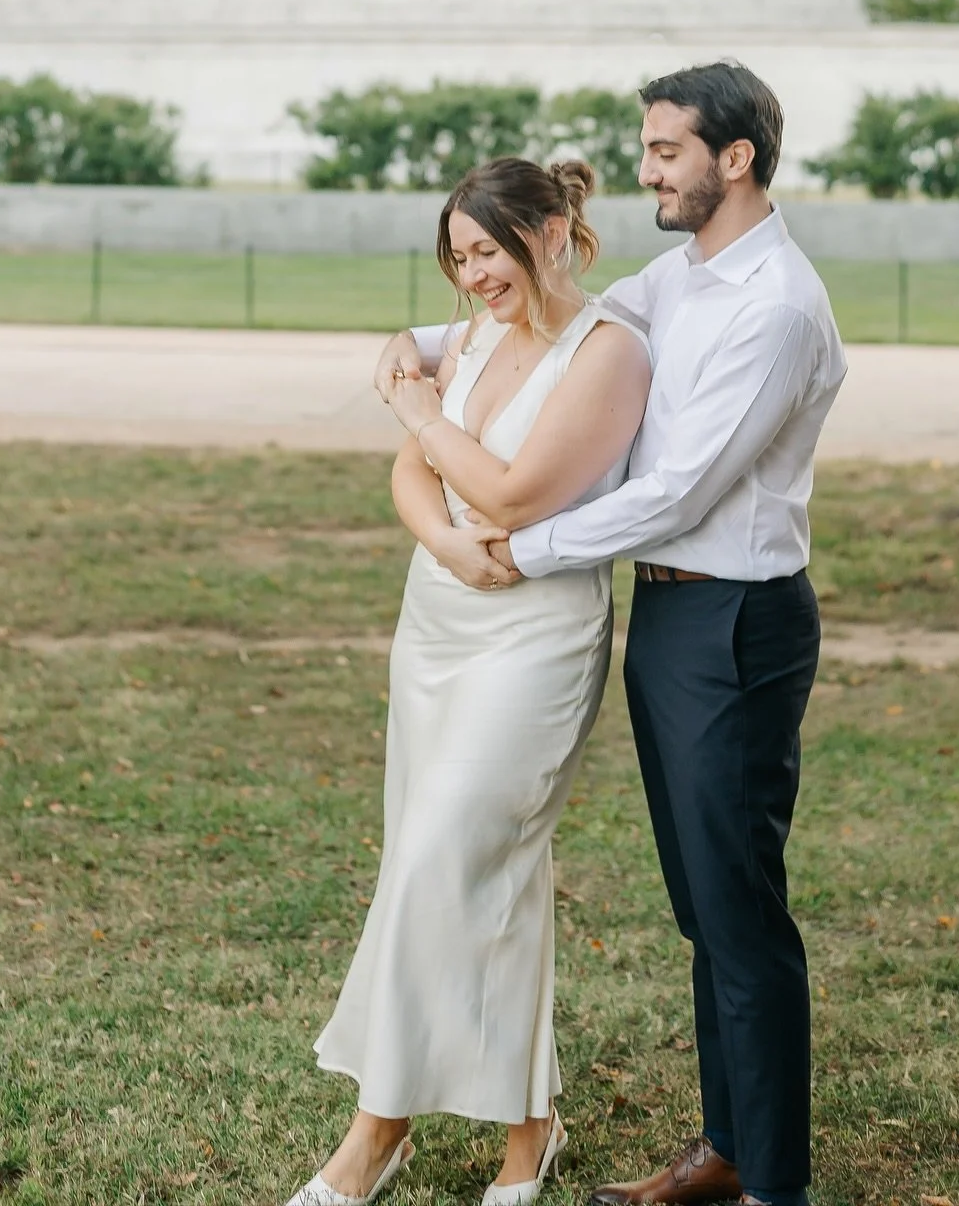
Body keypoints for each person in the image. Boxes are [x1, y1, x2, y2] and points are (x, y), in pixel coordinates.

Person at [376, 62, 847, 1206]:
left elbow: (680, 490)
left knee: (740, 911)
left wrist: (514, 552)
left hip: (736, 621)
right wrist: (417, 353)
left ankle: (771, 1185)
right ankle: (725, 1149)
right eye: (645, 149)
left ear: (735, 160)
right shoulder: (675, 283)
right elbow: (548, 325)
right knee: (701, 904)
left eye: (668, 151)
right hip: (670, 614)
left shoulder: (776, 307)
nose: (647, 171)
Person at [284, 156, 652, 1206]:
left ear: (549, 231)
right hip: (440, 614)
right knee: (464, 863)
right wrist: (442, 542)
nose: (472, 277)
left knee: (444, 854)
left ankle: (375, 1134)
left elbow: (515, 489)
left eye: (486, 251)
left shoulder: (610, 351)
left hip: (536, 635)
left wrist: (415, 410)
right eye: (456, 259)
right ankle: (531, 1133)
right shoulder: (476, 333)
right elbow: (420, 475)